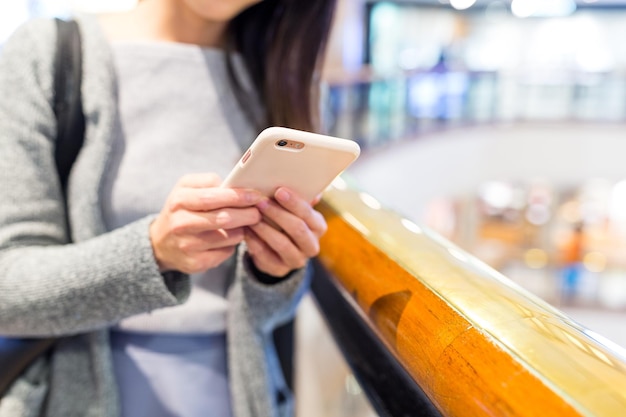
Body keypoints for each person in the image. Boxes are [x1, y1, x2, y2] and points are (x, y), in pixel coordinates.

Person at [0, 0, 337, 416]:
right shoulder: (46, 52)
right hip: (82, 394)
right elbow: (7, 290)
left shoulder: (286, 80)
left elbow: (270, 313)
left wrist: (274, 272)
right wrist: (153, 252)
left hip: (237, 396)